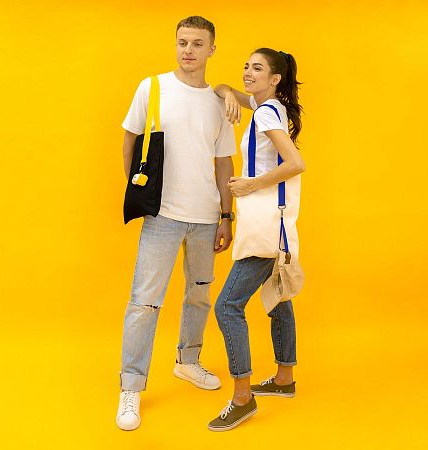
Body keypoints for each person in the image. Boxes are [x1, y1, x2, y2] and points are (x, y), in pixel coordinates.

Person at [116, 16, 237, 431]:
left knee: (200, 294)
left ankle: (188, 361)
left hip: (205, 217)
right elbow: (130, 139)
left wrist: (226, 216)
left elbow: (224, 164)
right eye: (183, 42)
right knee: (144, 303)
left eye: (197, 43)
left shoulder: (219, 102)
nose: (188, 50)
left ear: (211, 50)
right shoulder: (152, 87)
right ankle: (131, 386)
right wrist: (136, 189)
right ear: (176, 44)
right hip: (163, 214)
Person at [208, 48, 306, 431]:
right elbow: (221, 87)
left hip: (263, 223)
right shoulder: (269, 105)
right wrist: (230, 95)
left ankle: (242, 398)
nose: (248, 72)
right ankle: (284, 378)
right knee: (278, 297)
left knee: (228, 306)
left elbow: (295, 163)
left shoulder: (265, 113)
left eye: (257, 68)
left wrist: (251, 184)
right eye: (246, 66)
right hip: (278, 222)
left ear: (275, 78)